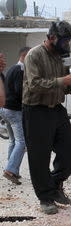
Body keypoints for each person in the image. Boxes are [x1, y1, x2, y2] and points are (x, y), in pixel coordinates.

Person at [22, 21, 71, 214]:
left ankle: (55, 184)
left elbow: (67, 87)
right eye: (64, 40)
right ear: (52, 38)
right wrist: (62, 81)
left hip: (56, 109)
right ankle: (46, 198)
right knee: (39, 157)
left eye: (69, 40)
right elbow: (34, 84)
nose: (67, 44)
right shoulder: (34, 55)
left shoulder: (65, 56)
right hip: (35, 110)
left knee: (70, 151)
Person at [0, 47, 30, 185]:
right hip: (14, 110)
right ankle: (10, 170)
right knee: (22, 142)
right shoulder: (20, 70)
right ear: (25, 56)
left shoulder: (12, 69)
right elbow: (20, 91)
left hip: (6, 110)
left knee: (13, 141)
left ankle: (13, 170)